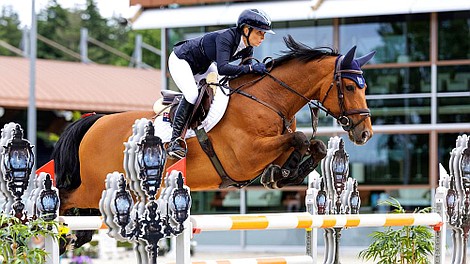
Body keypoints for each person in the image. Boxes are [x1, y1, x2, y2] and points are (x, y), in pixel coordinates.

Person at [166, 8, 275, 158]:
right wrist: (251, 68)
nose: (262, 37)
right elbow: (224, 68)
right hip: (182, 60)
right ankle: (174, 141)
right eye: (260, 32)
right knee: (192, 94)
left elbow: (246, 73)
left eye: (263, 34)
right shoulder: (226, 38)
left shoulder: (247, 47)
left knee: (221, 91)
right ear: (246, 30)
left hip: (203, 65)